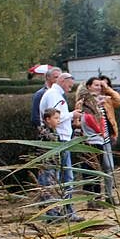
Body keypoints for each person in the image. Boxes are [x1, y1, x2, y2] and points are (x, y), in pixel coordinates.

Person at [39, 72, 82, 221]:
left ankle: (66, 210)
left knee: (65, 177)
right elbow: (53, 118)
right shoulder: (53, 95)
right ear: (62, 81)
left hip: (63, 140)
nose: (71, 87)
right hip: (57, 141)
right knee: (54, 177)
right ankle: (53, 212)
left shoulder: (56, 94)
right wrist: (72, 114)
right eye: (70, 84)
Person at [78, 81, 118, 208]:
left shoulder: (101, 106)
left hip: (103, 140)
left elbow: (118, 100)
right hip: (93, 141)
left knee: (107, 169)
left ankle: (107, 196)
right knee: (92, 171)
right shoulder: (86, 109)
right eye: (96, 85)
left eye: (100, 86)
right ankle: (93, 199)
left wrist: (107, 89)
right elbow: (94, 125)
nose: (99, 88)